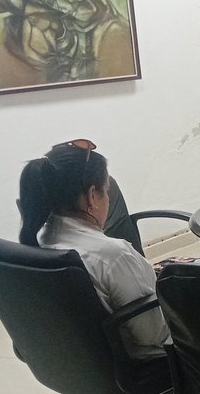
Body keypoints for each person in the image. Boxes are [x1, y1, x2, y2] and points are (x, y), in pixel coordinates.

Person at [18, 139, 169, 358]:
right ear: (92, 196)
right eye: (106, 191)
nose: (108, 198)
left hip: (83, 362)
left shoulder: (38, 240)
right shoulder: (112, 255)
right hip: (145, 357)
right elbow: (154, 333)